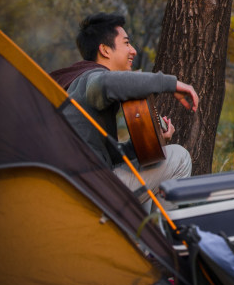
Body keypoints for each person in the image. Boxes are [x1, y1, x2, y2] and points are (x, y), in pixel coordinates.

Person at [50, 12, 198, 209]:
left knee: (149, 173)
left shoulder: (74, 87)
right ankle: (167, 239)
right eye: (126, 43)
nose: (134, 50)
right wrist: (171, 84)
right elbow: (106, 83)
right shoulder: (90, 79)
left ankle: (143, 238)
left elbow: (111, 156)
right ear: (105, 50)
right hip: (90, 191)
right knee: (179, 157)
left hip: (83, 187)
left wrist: (153, 140)